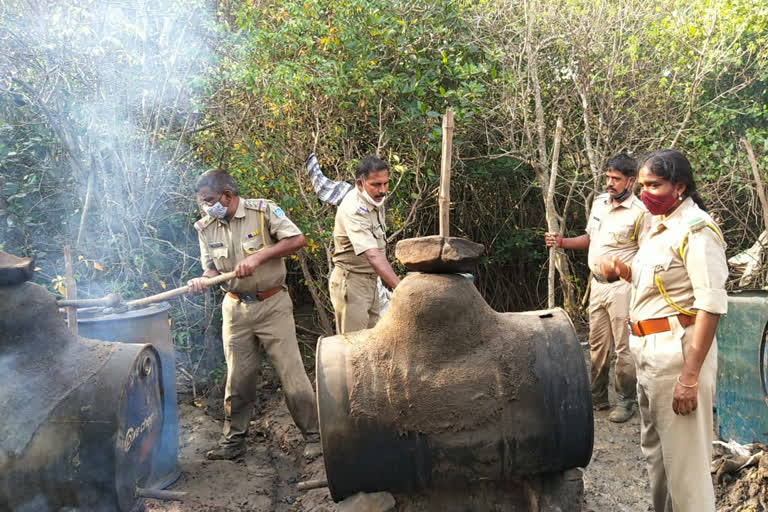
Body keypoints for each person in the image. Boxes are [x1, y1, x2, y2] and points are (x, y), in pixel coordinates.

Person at [601, 149, 727, 511]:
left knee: (686, 471)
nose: (645, 193)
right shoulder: (659, 226)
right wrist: (625, 271)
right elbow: (661, 282)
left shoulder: (697, 230)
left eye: (655, 184)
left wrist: (689, 378)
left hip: (677, 354)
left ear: (680, 186)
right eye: (642, 185)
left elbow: (710, 305)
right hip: (648, 351)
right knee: (658, 459)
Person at [187, 169, 320, 460]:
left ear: (228, 196)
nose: (206, 206)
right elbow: (211, 269)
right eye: (203, 202)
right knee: (238, 378)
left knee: (292, 373)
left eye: (210, 200)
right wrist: (202, 280)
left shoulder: (262, 211)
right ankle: (233, 442)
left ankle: (314, 436)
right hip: (235, 308)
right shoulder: (205, 227)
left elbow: (297, 239)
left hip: (273, 305)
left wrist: (259, 256)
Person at [545, 153, 648, 423]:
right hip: (598, 287)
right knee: (597, 345)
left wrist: (625, 273)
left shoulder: (640, 213)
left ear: (631, 181)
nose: (610, 183)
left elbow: (647, 256)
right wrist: (562, 242)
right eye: (608, 177)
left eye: (616, 179)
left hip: (623, 288)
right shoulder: (601, 203)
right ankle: (597, 396)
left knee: (624, 347)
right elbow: (591, 239)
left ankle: (627, 400)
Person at [329, 155, 400, 334]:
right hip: (352, 283)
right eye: (376, 185)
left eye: (385, 183)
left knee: (376, 340)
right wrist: (401, 289)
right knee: (352, 347)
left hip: (371, 282)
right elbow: (372, 254)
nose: (382, 190)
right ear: (360, 184)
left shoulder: (375, 201)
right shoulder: (353, 208)